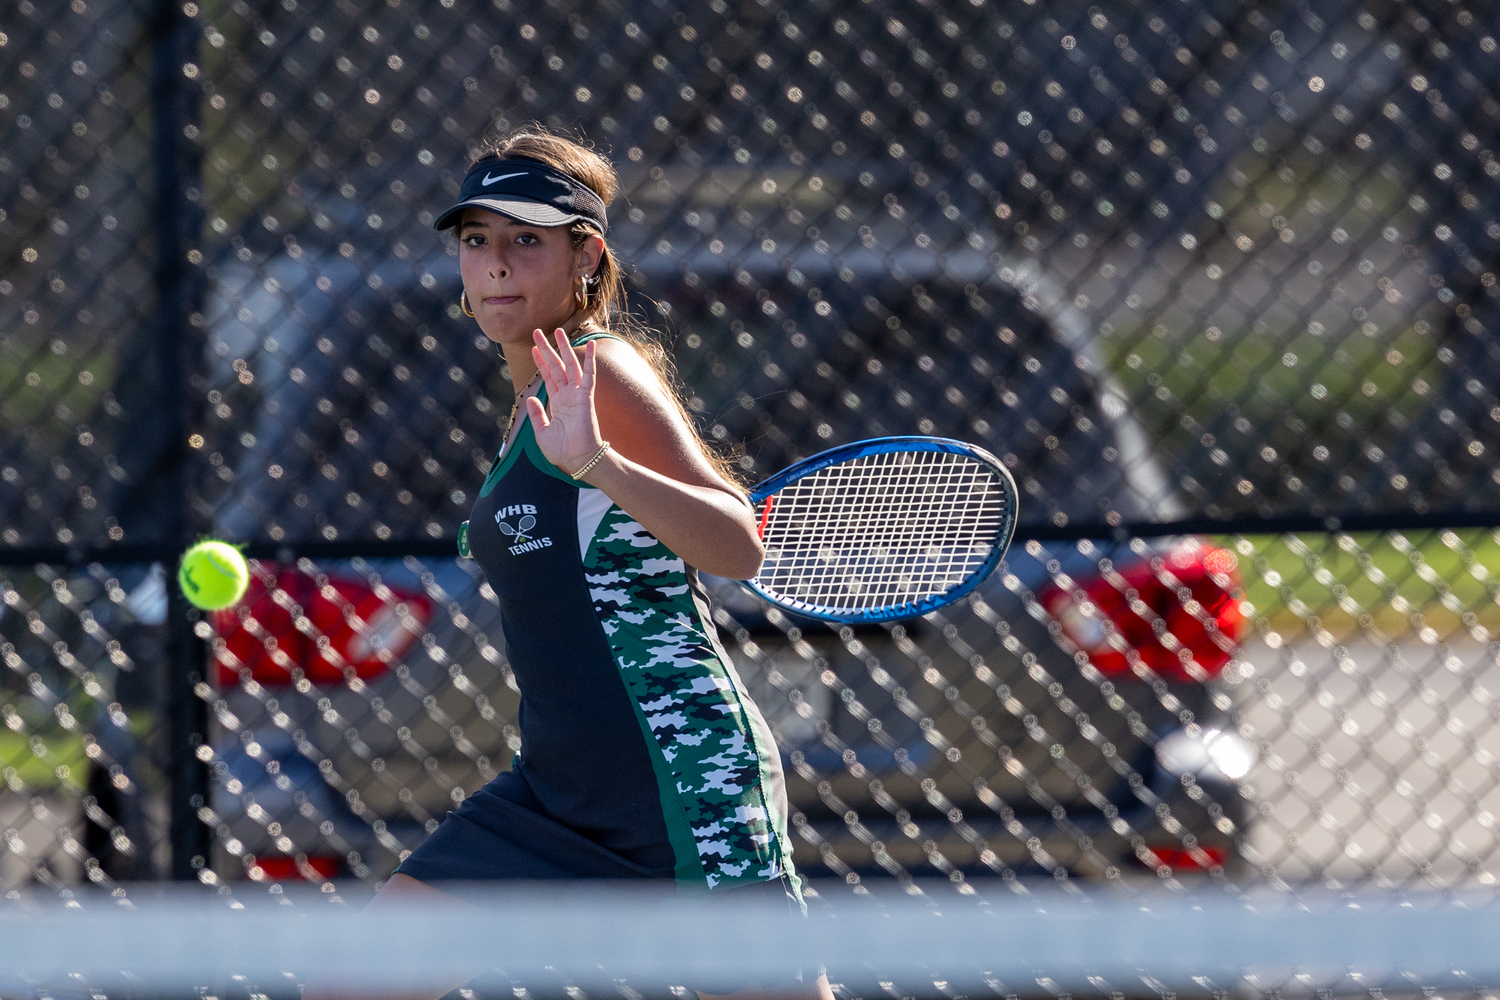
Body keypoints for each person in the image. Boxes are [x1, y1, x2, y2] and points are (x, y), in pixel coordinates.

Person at [363, 126, 832, 1000]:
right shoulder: (532, 404)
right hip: (556, 788)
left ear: (587, 256)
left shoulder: (602, 371)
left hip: (678, 770)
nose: (496, 263)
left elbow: (737, 541)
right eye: (477, 241)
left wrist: (600, 466)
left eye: (525, 240)